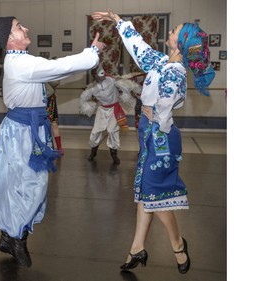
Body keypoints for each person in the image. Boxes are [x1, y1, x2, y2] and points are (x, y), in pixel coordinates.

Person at [92, 10, 215, 274]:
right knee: (145, 193)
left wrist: (152, 116)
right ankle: (137, 247)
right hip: (150, 132)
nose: (169, 33)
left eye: (174, 31)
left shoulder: (176, 72)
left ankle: (178, 245)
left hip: (160, 136)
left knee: (153, 194)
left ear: (181, 43)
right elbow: (139, 49)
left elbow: (165, 108)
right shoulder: (162, 62)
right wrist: (117, 20)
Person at [0, 16, 105, 267]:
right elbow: (59, 66)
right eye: (19, 27)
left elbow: (59, 71)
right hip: (22, 132)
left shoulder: (20, 62)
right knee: (30, 185)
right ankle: (15, 238)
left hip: (26, 130)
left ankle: (10, 236)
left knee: (19, 185)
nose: (25, 28)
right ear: (9, 38)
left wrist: (86, 60)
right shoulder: (21, 64)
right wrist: (91, 53)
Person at [79, 65, 130, 165]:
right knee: (96, 131)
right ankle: (93, 151)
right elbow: (83, 99)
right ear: (95, 76)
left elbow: (125, 86)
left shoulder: (111, 80)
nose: (103, 77)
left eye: (103, 75)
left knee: (112, 130)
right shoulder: (92, 88)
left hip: (114, 109)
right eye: (100, 76)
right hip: (102, 109)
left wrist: (123, 94)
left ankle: (114, 154)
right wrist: (89, 106)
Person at [45, 79, 64, 154]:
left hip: (50, 99)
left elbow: (56, 82)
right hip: (38, 100)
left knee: (54, 123)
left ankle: (59, 147)